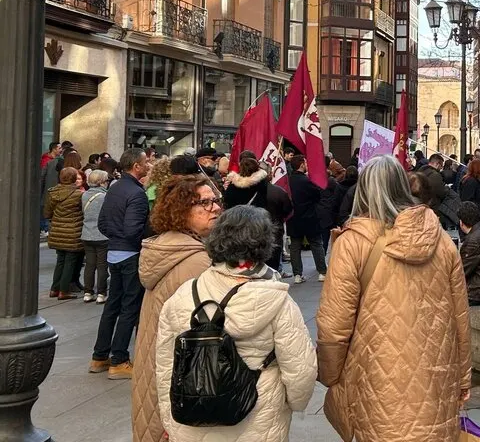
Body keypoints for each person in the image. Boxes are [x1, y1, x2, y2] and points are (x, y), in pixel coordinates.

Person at [316, 155, 472, 441]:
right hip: (435, 379)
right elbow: (460, 315)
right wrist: (463, 375)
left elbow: (334, 325)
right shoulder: (440, 239)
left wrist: (330, 374)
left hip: (374, 376)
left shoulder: (352, 242)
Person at [156, 206, 316, 442]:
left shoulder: (183, 294)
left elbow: (166, 365)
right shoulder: (277, 299)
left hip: (193, 413)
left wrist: (167, 416)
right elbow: (300, 368)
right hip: (258, 411)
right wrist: (293, 403)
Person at [132, 175, 221, 442]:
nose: (215, 208)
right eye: (203, 203)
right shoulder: (194, 261)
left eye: (215, 200)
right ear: (181, 210)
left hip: (154, 373)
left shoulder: (169, 246)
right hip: (176, 386)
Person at [90, 148, 152, 379]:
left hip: (114, 252)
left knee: (112, 305)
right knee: (129, 307)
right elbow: (132, 230)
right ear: (136, 166)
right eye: (145, 162)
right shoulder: (136, 194)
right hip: (129, 254)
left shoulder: (115, 188)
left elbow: (103, 223)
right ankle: (119, 359)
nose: (148, 165)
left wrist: (116, 238)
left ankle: (99, 356)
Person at [223, 156, 292, 271]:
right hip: (258, 228)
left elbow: (226, 207)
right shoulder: (262, 185)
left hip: (237, 230)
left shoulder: (231, 188)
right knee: (266, 263)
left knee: (243, 263)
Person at [286, 154, 336, 283]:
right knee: (316, 244)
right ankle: (322, 271)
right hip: (309, 216)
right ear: (302, 164)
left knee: (295, 246)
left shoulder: (287, 181)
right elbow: (317, 195)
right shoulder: (307, 181)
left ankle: (297, 274)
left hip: (293, 217)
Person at [44, 167, 85, 300]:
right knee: (70, 261)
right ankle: (64, 290)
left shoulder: (52, 193)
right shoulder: (78, 194)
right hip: (73, 231)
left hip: (56, 231)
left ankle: (54, 288)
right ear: (73, 178)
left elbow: (47, 213)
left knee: (60, 260)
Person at [81, 170, 111, 304]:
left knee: (89, 265)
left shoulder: (84, 195)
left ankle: (87, 292)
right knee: (102, 265)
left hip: (86, 233)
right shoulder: (105, 197)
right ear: (102, 182)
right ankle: (101, 293)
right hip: (102, 235)